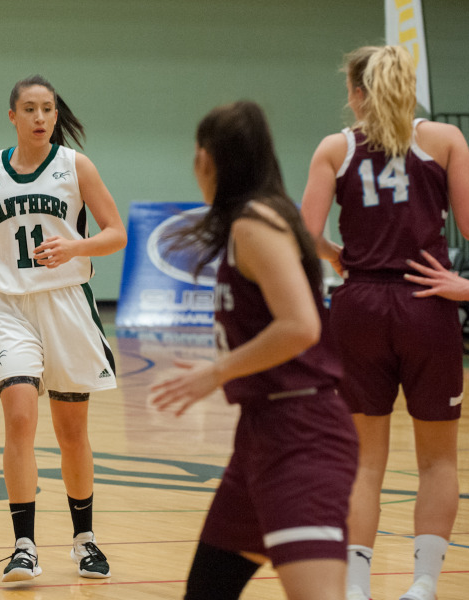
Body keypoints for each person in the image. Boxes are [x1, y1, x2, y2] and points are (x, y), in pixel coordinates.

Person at [149, 101, 358, 600]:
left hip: (302, 436)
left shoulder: (254, 222)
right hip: (260, 436)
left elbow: (300, 326)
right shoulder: (255, 218)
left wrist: (214, 373)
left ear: (207, 158)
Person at [0, 75, 126, 582]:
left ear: (56, 116)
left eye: (49, 109)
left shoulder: (75, 166)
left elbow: (116, 233)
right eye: (30, 109)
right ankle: (23, 546)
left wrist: (75, 247)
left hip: (67, 306)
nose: (41, 117)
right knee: (19, 419)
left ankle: (85, 540)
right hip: (10, 306)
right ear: (12, 117)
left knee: (71, 433)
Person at [300, 45, 469, 600]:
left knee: (364, 461)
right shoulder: (446, 141)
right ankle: (422, 585)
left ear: (353, 93)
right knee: (438, 459)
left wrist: (335, 255)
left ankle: (355, 586)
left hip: (361, 305)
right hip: (428, 303)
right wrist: (464, 287)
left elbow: (303, 236)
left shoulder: (336, 148)